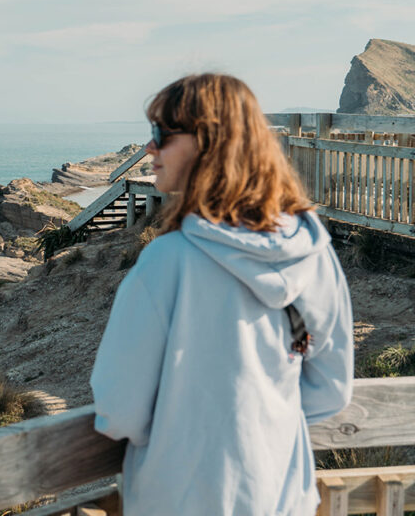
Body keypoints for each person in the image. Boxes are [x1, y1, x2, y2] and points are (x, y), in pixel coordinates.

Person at [90, 74, 353, 516]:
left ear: (207, 144)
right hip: (283, 497)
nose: (149, 148)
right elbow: (331, 388)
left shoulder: (166, 261)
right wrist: (257, 426)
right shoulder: (312, 252)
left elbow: (119, 409)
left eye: (160, 134)